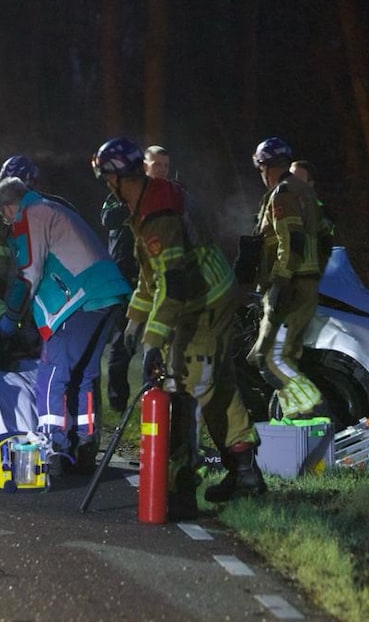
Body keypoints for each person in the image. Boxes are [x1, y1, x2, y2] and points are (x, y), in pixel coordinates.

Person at [92, 137, 266, 513]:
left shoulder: (157, 214)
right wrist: (135, 319)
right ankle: (245, 474)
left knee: (189, 386)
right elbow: (150, 278)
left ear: (117, 178)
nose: (108, 186)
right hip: (201, 299)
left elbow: (172, 287)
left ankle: (184, 482)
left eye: (107, 178)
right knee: (215, 385)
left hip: (205, 303)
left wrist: (153, 339)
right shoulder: (150, 202)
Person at [0, 176, 131, 474]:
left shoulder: (31, 215)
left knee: (52, 373)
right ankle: (84, 443)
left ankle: (52, 446)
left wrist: (11, 316)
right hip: (105, 294)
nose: (6, 222)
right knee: (85, 374)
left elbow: (29, 272)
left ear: (9, 206)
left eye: (4, 215)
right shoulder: (53, 210)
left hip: (76, 301)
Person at [249, 138, 326, 421]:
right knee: (284, 357)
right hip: (305, 284)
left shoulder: (283, 194)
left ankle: (314, 406)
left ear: (265, 166)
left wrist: (281, 282)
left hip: (289, 286)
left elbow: (290, 240)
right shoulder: (306, 194)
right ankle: (296, 421)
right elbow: (324, 239)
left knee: (269, 359)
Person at [101, 145, 169, 415]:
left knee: (158, 345)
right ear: (144, 167)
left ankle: (153, 401)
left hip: (157, 281)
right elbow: (107, 219)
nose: (162, 171)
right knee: (122, 344)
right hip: (125, 279)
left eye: (166, 166)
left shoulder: (170, 196)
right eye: (157, 165)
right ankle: (118, 405)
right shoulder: (121, 194)